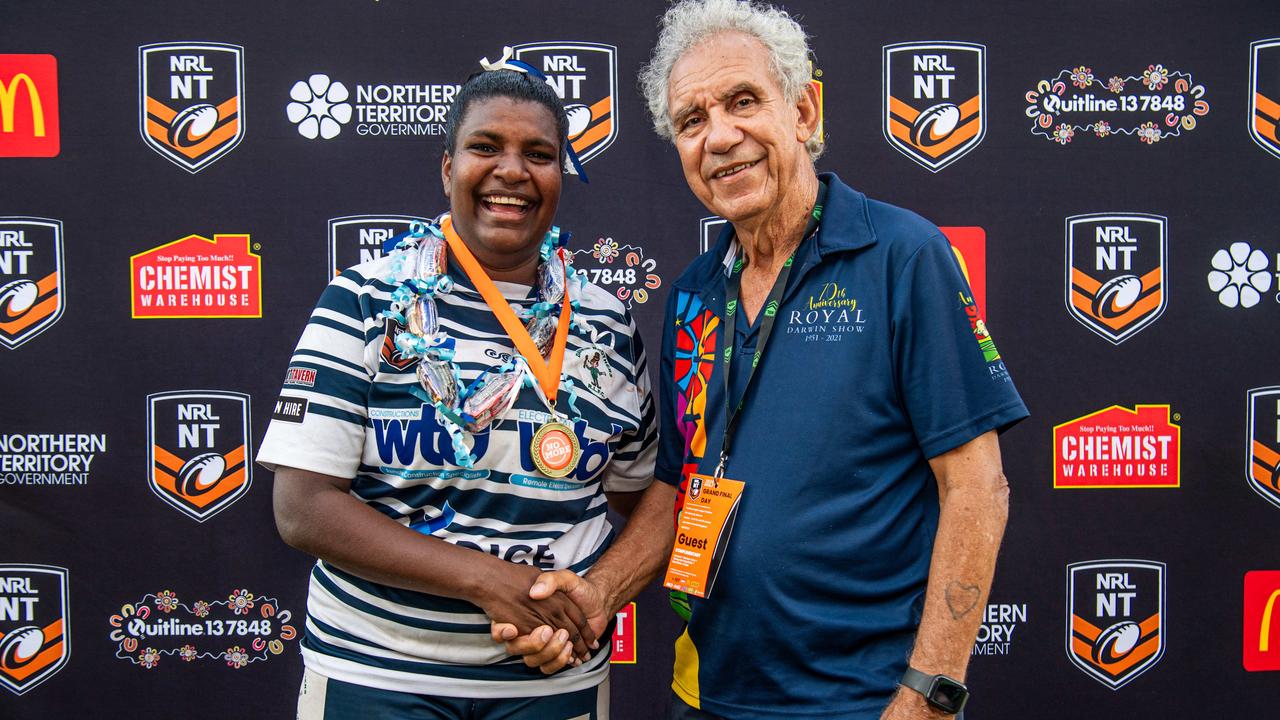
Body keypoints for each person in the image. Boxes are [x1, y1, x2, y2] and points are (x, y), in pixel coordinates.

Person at [497, 1, 1029, 718]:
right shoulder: (692, 293)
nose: (720, 136)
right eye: (692, 121)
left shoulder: (904, 257)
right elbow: (681, 486)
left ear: (803, 111)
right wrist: (598, 594)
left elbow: (976, 490)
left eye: (743, 101)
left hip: (863, 703)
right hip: (709, 695)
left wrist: (929, 693)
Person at [257, 67, 672, 720]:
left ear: (561, 176)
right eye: (486, 147)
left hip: (551, 677)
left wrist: (595, 595)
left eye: (538, 154)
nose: (512, 170)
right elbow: (302, 508)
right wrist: (488, 582)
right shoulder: (365, 301)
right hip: (377, 670)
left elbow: (643, 492)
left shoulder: (606, 322)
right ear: (448, 167)